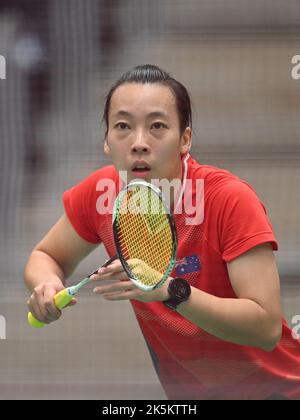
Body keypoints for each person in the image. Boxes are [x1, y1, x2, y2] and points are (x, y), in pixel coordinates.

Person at [24, 64, 300, 400]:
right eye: (123, 126)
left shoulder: (228, 199)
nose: (139, 143)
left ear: (185, 139)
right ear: (107, 142)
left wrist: (171, 291)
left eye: (157, 126)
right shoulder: (102, 195)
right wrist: (46, 284)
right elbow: (46, 256)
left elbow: (265, 328)